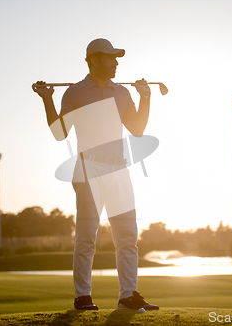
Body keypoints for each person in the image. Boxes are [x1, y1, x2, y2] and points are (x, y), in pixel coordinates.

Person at [33, 38, 159, 311]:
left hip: (119, 168)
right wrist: (47, 100)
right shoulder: (74, 93)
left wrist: (145, 97)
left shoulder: (121, 92)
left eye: (117, 58)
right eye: (111, 57)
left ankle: (128, 296)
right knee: (87, 236)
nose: (116, 63)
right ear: (93, 59)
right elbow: (59, 133)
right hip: (89, 168)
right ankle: (83, 296)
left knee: (127, 237)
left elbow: (137, 129)